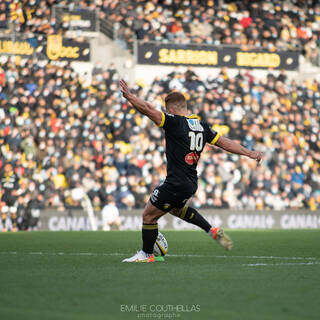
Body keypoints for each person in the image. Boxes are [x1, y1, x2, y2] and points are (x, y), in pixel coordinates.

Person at [120, 79, 262, 262]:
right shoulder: (202, 127)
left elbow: (148, 109)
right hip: (190, 183)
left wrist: (130, 96)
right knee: (176, 210)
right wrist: (249, 153)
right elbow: (225, 143)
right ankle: (211, 230)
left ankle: (146, 254)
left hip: (176, 182)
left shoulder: (175, 122)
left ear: (171, 110)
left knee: (148, 216)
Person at [0, 163, 19, 232]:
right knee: (3, 211)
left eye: (8, 167)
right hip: (4, 196)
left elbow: (18, 185)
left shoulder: (15, 175)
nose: (6, 168)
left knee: (13, 211)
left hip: (12, 196)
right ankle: (4, 227)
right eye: (6, 167)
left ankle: (14, 227)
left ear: (11, 168)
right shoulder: (2, 175)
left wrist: (17, 192)